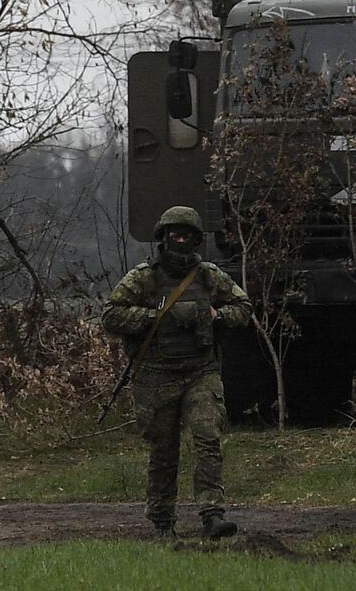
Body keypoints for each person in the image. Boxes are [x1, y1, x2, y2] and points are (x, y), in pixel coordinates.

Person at [103, 205, 252, 540]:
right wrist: (154, 318)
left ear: (196, 240)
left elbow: (244, 307)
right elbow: (111, 315)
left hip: (200, 371)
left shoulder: (208, 276)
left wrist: (217, 316)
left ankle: (212, 514)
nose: (180, 240)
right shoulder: (144, 277)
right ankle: (162, 521)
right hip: (156, 376)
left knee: (207, 439)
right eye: (175, 234)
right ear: (164, 236)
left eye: (186, 235)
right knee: (163, 451)